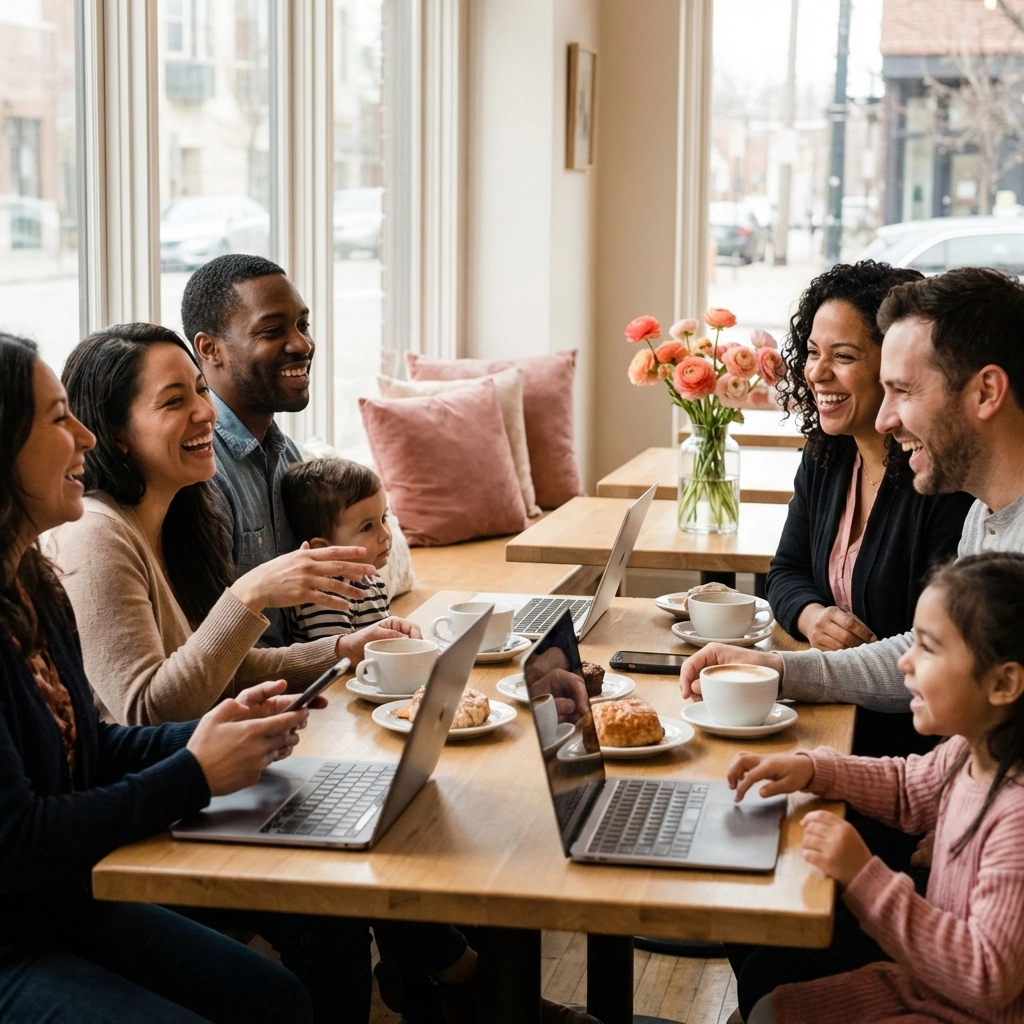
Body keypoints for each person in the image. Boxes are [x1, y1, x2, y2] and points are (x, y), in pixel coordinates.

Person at [0, 330, 321, 1024]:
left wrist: (209, 737)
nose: (81, 435)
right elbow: (17, 840)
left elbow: (93, 747)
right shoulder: (90, 541)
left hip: (58, 906)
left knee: (278, 1000)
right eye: (59, 419)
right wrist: (194, 771)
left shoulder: (32, 582)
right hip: (13, 940)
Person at [681, 266, 1024, 714]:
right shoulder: (984, 513)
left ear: (986, 392)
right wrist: (777, 669)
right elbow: (930, 657)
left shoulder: (964, 502)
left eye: (904, 390)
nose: (886, 419)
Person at [49, 323, 418, 727]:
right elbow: (145, 711)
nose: (206, 412)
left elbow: (220, 672)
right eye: (174, 401)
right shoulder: (96, 534)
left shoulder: (181, 517)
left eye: (201, 389)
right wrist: (249, 594)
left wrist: (346, 649)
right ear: (116, 433)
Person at [727, 551, 1024, 1024]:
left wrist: (862, 874)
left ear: (1004, 683)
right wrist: (814, 769)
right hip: (927, 984)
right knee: (766, 1012)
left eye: (927, 647)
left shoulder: (1016, 818)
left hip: (967, 1010)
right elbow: (908, 787)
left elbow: (986, 979)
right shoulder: (970, 753)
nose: (904, 661)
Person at [767, 261, 971, 658]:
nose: (817, 372)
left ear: (894, 364)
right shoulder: (827, 453)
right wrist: (812, 617)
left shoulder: (938, 476)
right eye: (812, 353)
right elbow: (785, 570)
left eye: (843, 356)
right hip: (832, 697)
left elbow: (935, 643)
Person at [182, 253, 318, 648]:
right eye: (273, 330)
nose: (302, 343)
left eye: (303, 325)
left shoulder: (287, 455)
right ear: (210, 349)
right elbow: (204, 649)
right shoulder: (199, 467)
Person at [281, 458, 393, 640]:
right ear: (323, 549)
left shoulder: (372, 579)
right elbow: (336, 659)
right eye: (367, 527)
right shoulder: (324, 596)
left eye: (383, 518)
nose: (385, 534)